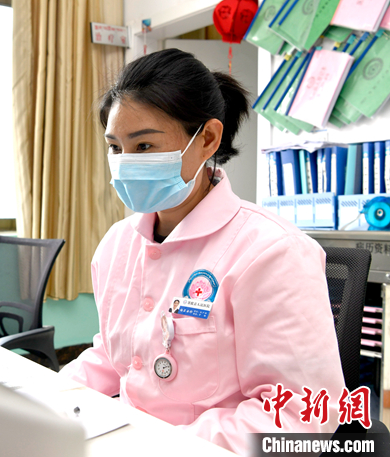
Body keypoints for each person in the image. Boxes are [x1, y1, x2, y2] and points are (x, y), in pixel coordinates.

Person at [59, 49, 345, 455]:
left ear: (207, 139)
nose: (124, 164)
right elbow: (115, 354)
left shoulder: (273, 252)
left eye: (143, 146)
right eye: (115, 148)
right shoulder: (117, 245)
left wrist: (163, 445)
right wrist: (48, 397)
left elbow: (301, 414)